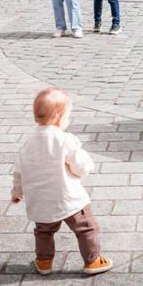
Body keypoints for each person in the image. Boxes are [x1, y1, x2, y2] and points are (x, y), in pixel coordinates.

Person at [11, 88, 113, 276]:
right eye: (68, 116)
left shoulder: (27, 144)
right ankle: (92, 261)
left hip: (40, 201)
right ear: (59, 117)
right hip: (68, 198)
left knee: (43, 232)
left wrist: (17, 192)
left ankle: (43, 262)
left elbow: (19, 171)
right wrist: (86, 168)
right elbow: (80, 165)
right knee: (85, 228)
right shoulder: (65, 140)